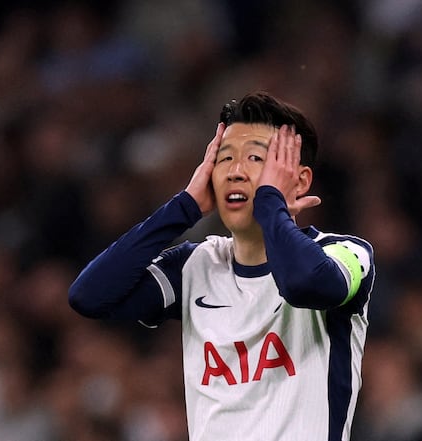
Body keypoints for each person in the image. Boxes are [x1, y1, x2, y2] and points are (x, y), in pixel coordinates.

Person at [68, 91, 375, 441]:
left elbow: (303, 283)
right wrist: (184, 207)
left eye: (256, 158)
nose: (235, 172)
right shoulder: (195, 265)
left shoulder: (345, 252)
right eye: (225, 158)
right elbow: (89, 296)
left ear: (300, 180)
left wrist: (271, 201)